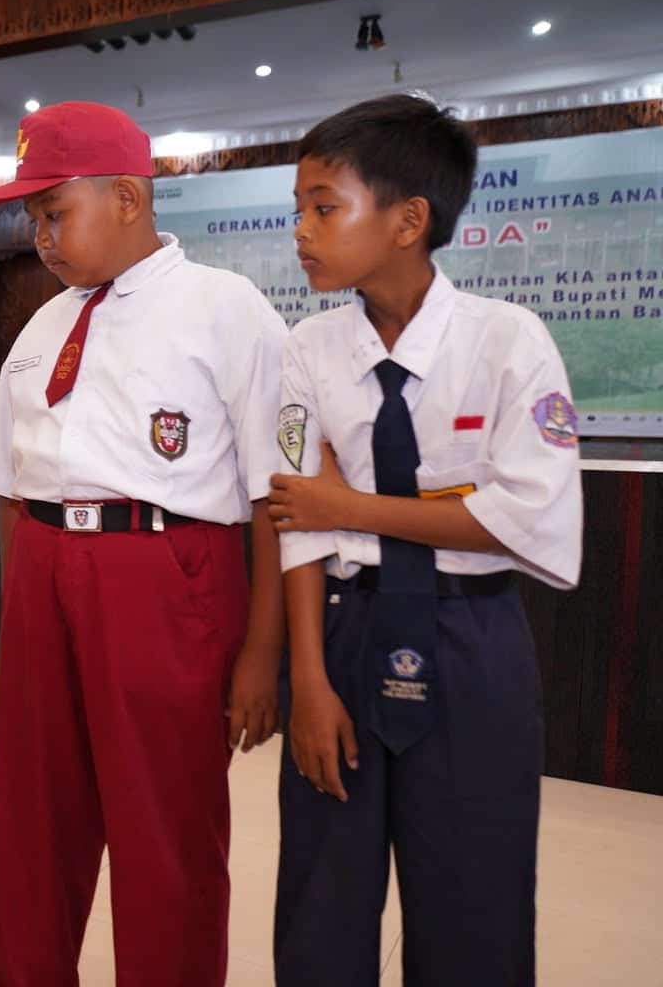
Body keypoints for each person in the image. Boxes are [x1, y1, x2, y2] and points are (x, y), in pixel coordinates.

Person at [0, 101, 287, 987]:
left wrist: (263, 650)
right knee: (32, 823)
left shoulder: (226, 308)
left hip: (165, 578)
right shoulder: (41, 328)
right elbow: (5, 482)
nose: (41, 237)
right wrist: (17, 607)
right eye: (32, 219)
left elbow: (273, 494)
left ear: (130, 199)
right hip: (44, 576)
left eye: (54, 212)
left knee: (164, 827)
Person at [266, 94, 583, 987]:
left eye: (325, 207)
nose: (302, 229)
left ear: (409, 220)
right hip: (343, 630)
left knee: (473, 901)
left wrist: (352, 507)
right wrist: (310, 684)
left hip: (472, 641)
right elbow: (295, 514)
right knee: (323, 903)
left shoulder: (508, 343)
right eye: (299, 208)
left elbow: (526, 516)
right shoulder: (308, 350)